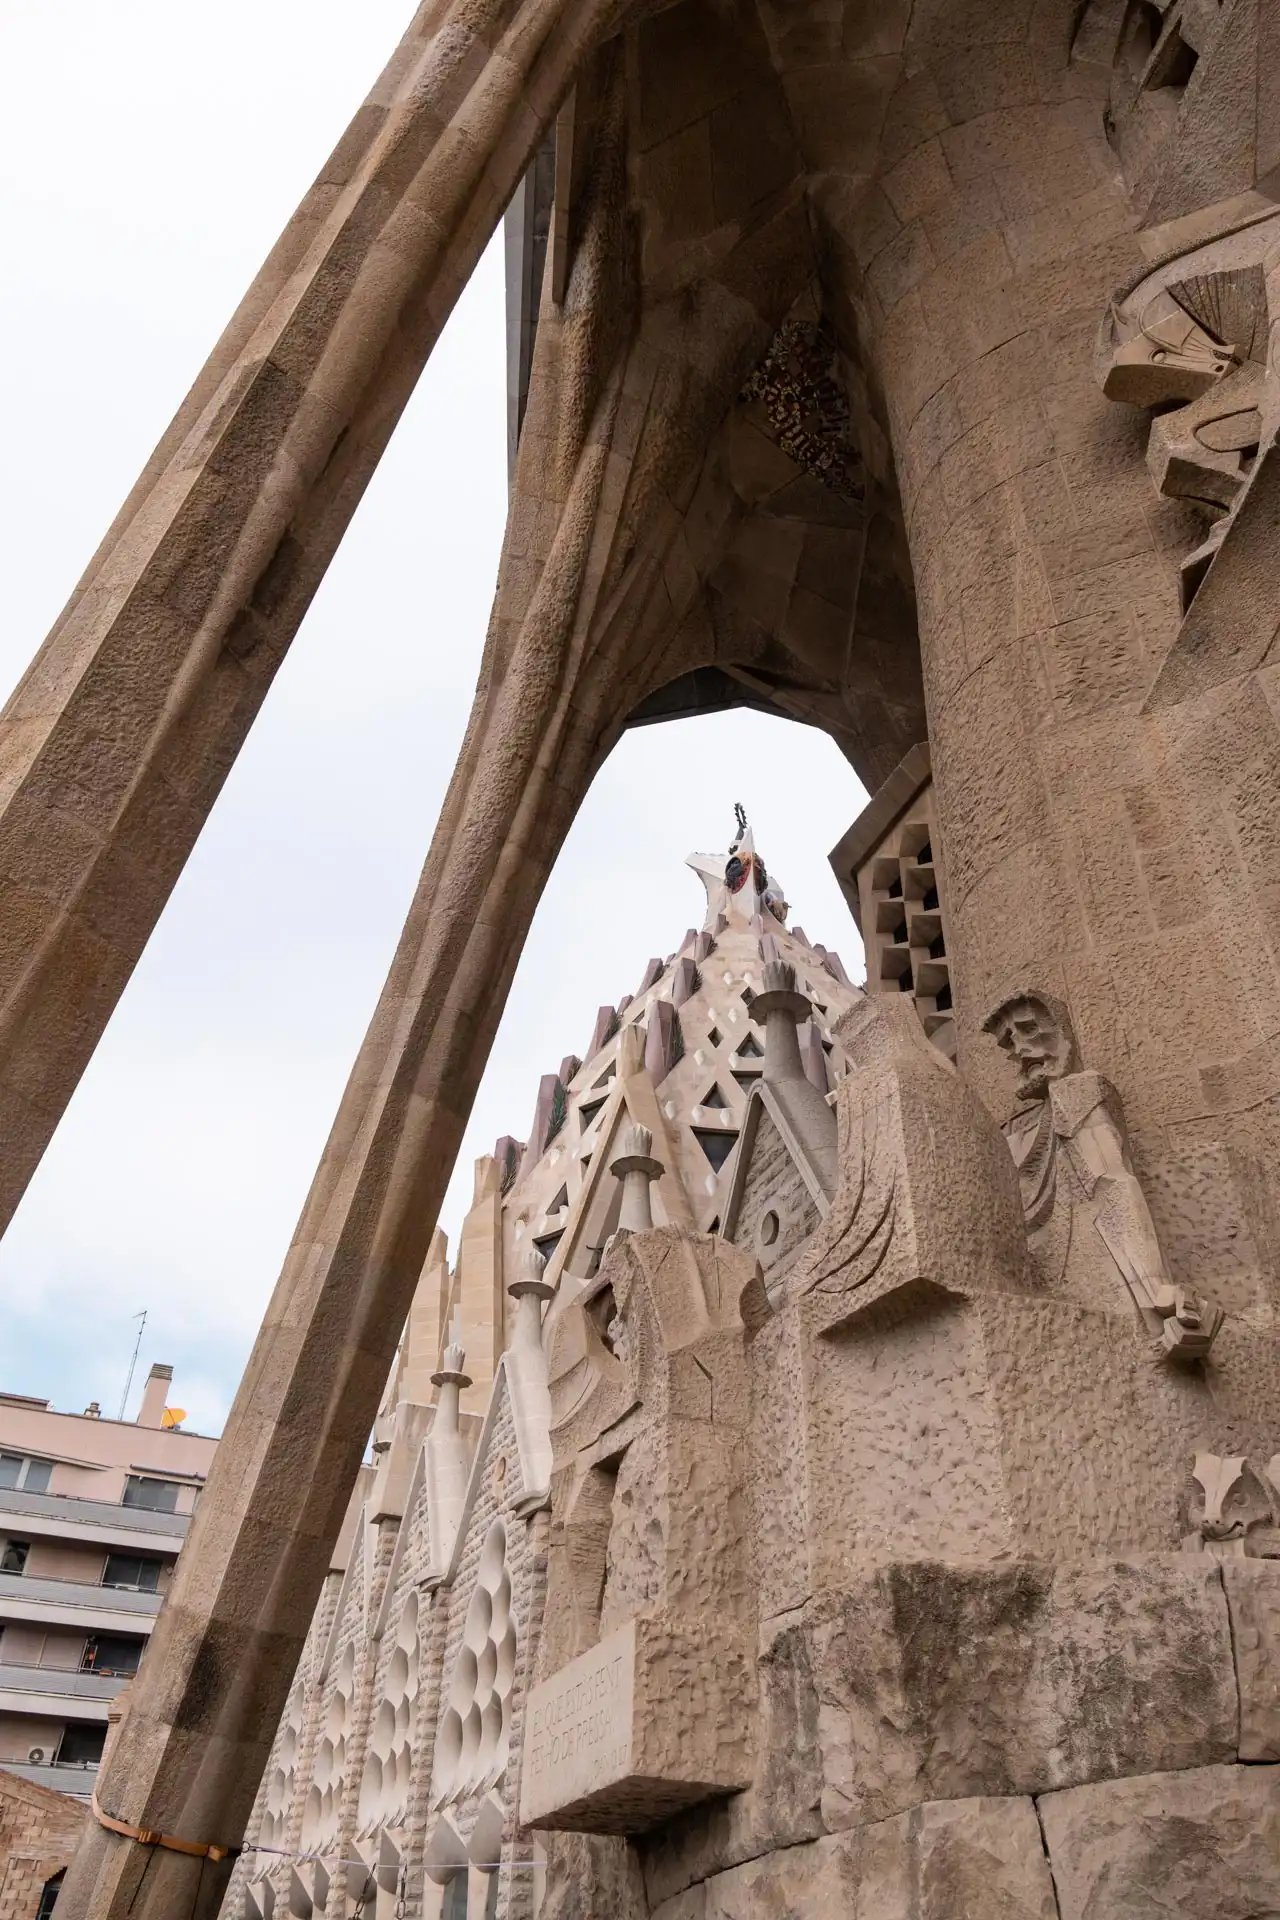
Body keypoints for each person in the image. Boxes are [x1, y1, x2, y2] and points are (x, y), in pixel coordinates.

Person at [983, 991, 1221, 1361]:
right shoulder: (1014, 1129)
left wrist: (1154, 1287)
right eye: (1009, 1042)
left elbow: (1110, 1183)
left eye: (1030, 1030)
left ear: (1062, 1032)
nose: (1021, 1049)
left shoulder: (1078, 1092)